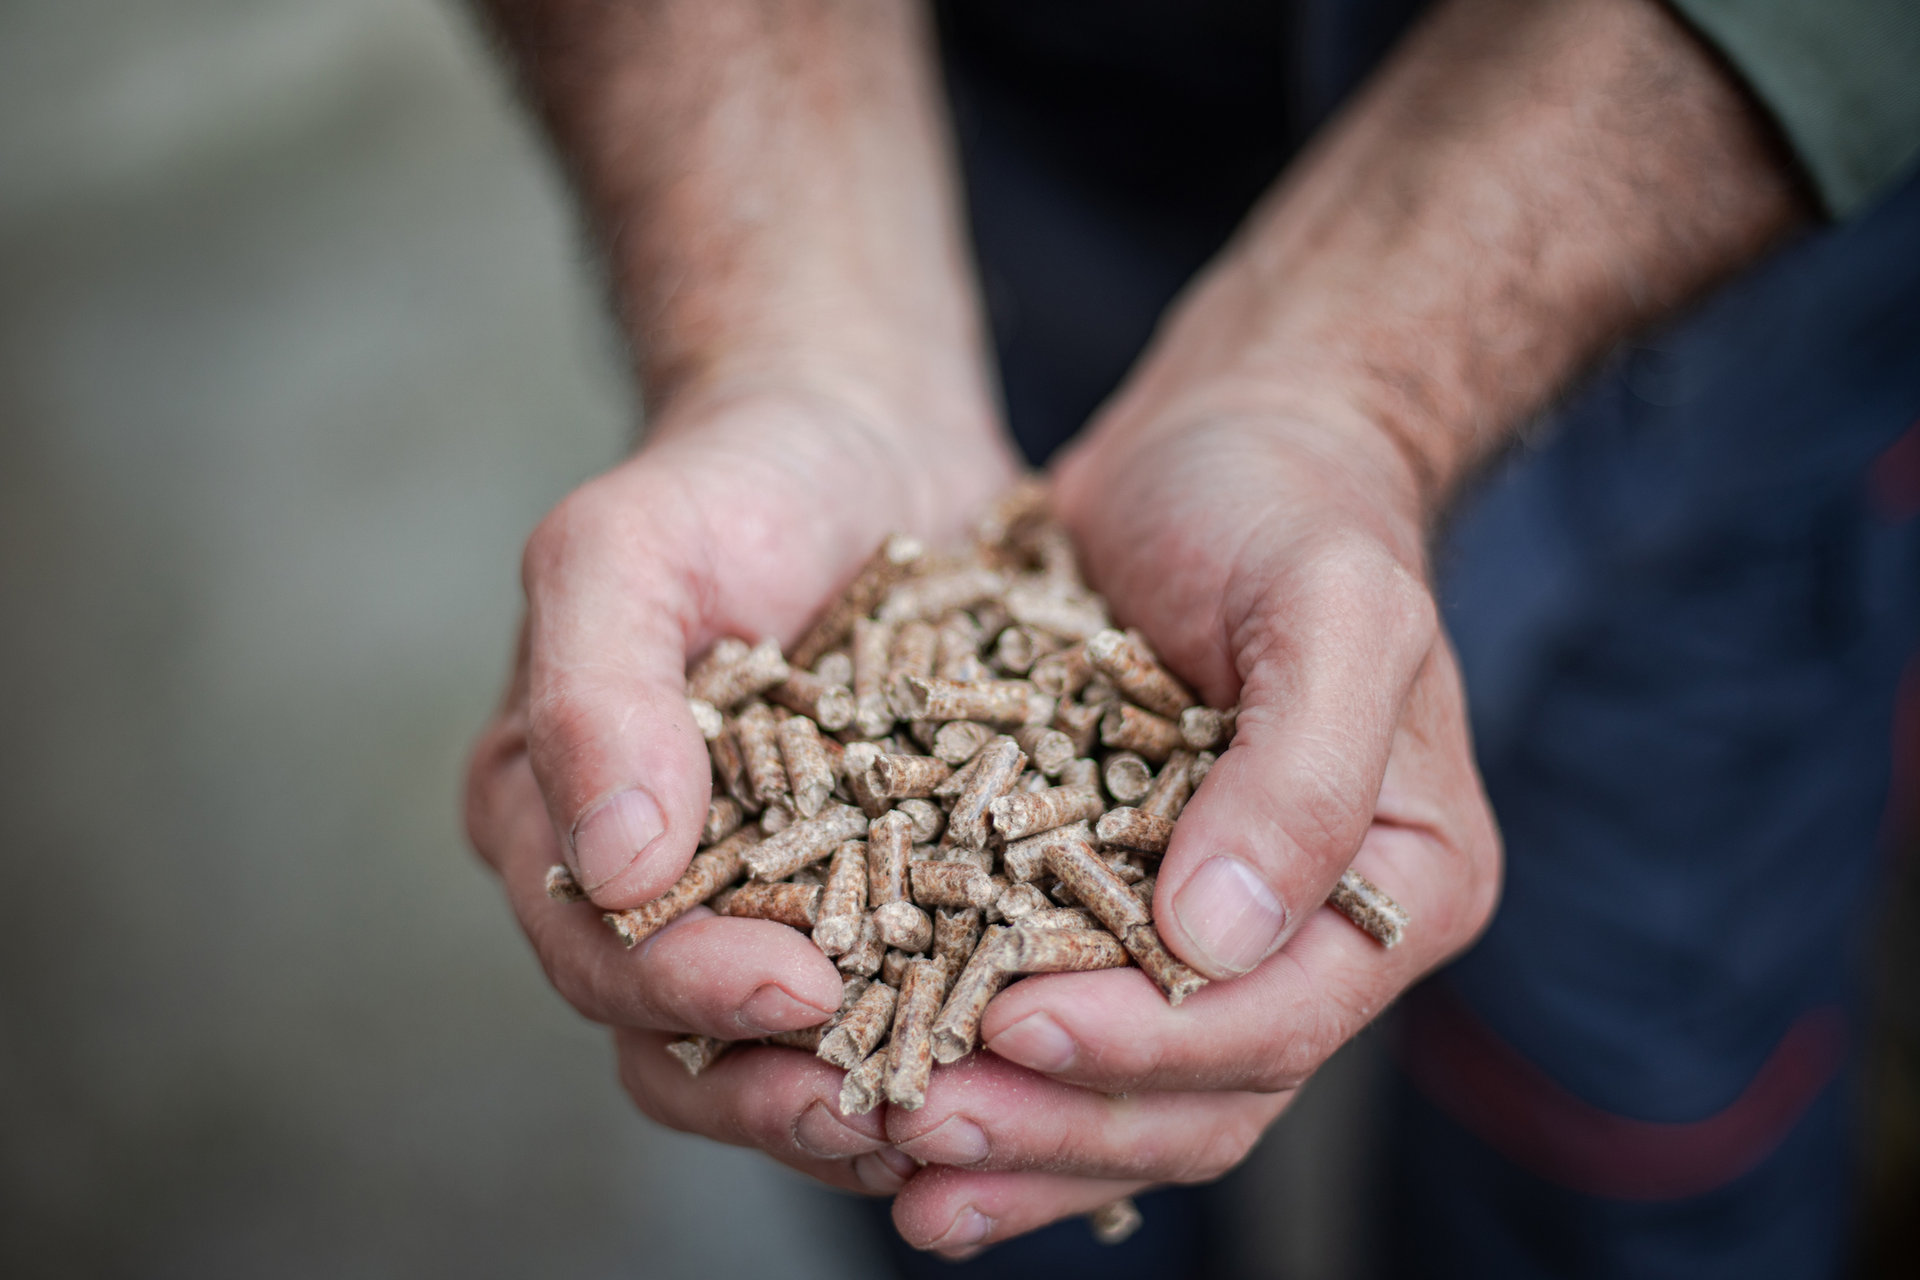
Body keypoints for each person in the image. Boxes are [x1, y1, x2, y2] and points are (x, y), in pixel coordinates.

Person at [461, 0, 1920, 1272]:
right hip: (1041, 134)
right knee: (960, 1149)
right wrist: (785, 344)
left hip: (1727, 319)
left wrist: (1355, 399)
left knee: (1631, 1086)